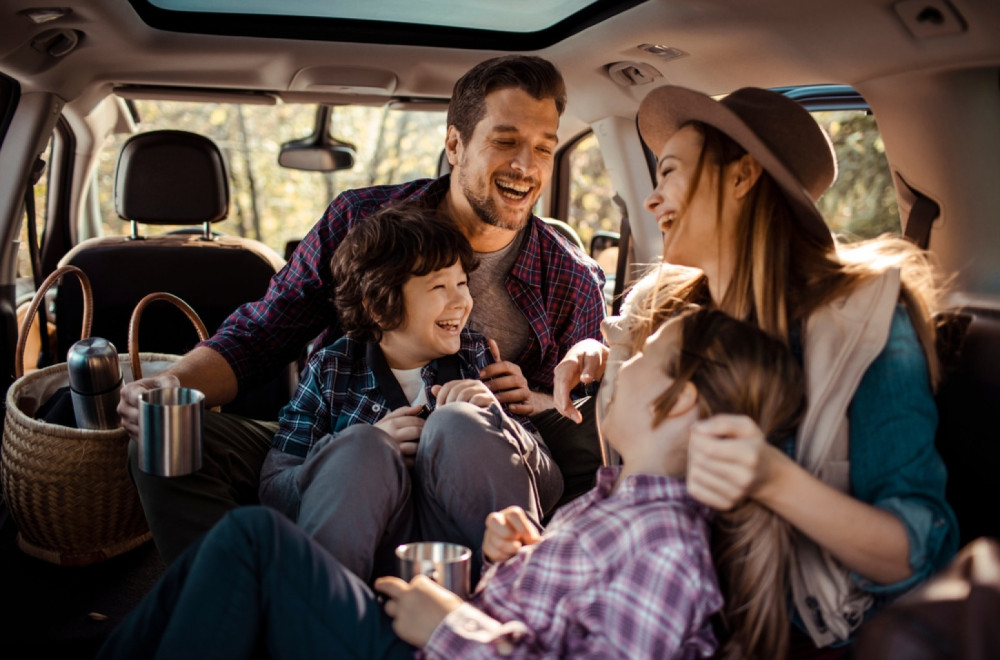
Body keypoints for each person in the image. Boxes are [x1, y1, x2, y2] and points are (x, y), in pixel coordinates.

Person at [97, 306, 809, 660]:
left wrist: (455, 628)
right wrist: (521, 553)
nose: (616, 364)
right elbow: (572, 615)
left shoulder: (664, 547)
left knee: (252, 540)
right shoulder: (618, 498)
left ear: (679, 401)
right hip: (449, 631)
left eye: (644, 357)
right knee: (246, 537)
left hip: (441, 646)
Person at [117, 55, 607, 564]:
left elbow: (584, 418)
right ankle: (237, 595)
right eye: (505, 142)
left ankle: (533, 590)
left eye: (544, 150)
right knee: (165, 441)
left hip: (484, 464)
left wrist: (536, 401)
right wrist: (173, 385)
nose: (526, 167)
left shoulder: (571, 274)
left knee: (592, 439)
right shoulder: (360, 221)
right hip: (342, 444)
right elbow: (263, 332)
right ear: (455, 145)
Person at [553, 85, 960, 656]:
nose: (651, 200)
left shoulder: (864, 324)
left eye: (668, 172)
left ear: (741, 177)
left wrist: (774, 480)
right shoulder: (669, 314)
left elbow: (915, 553)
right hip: (660, 613)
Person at [258, 202, 562, 582]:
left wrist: (499, 425)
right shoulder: (331, 369)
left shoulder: (480, 360)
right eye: (439, 287)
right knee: (362, 448)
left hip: (467, 557)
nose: (461, 301)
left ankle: (516, 595)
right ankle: (330, 616)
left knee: (459, 423)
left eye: (462, 283)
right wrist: (353, 448)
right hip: (371, 554)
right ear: (380, 308)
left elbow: (549, 486)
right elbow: (274, 490)